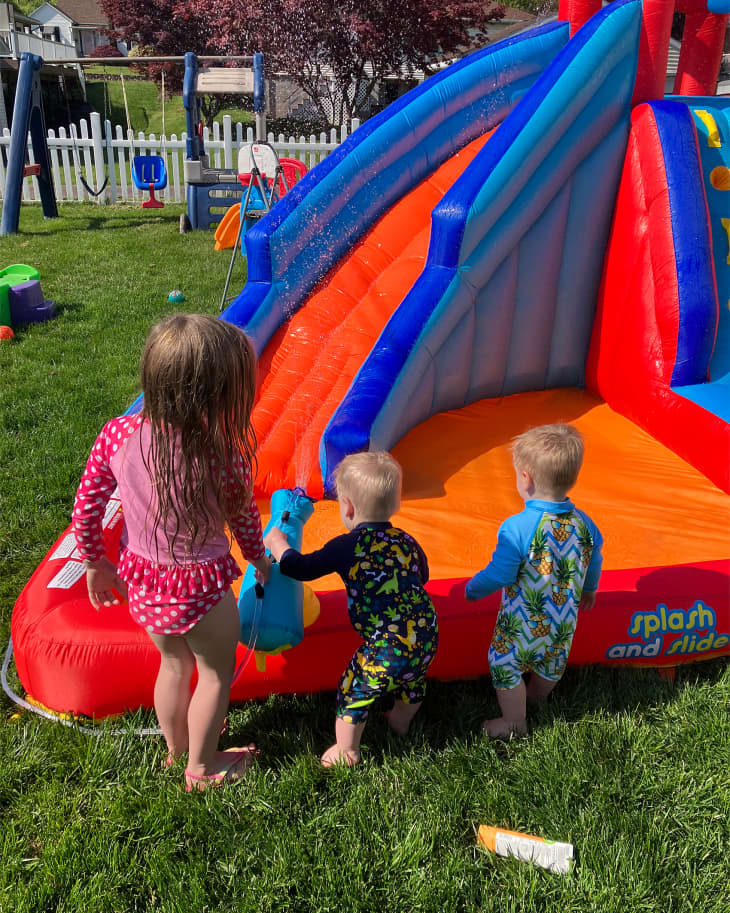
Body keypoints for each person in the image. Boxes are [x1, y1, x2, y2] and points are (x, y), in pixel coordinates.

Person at [72, 313, 272, 790]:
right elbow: (244, 521)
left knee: (174, 665)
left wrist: (95, 562)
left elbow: (87, 507)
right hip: (201, 590)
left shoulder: (117, 435)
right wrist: (260, 560)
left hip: (144, 584)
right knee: (214, 675)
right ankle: (203, 768)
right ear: (216, 393)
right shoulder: (220, 453)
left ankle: (176, 751)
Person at [265, 451, 438, 767]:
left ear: (346, 507)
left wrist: (279, 545)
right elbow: (423, 576)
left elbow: (302, 568)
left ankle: (348, 750)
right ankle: (400, 722)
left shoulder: (347, 546)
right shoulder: (407, 540)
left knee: (354, 687)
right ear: (396, 504)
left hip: (387, 644)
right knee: (413, 680)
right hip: (426, 632)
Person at [466, 423, 603, 738]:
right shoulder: (586, 524)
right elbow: (595, 558)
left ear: (524, 478)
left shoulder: (518, 527)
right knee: (551, 663)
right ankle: (537, 698)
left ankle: (514, 722)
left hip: (522, 623)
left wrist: (474, 589)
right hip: (563, 621)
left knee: (504, 664)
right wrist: (590, 588)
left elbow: (500, 573)